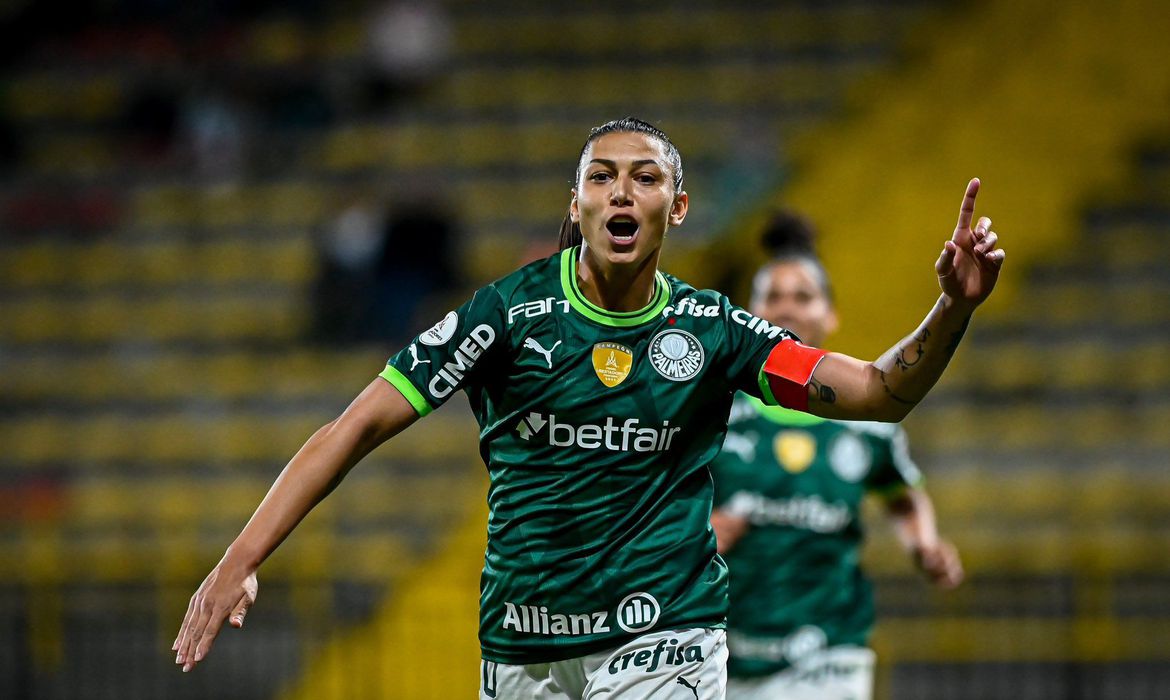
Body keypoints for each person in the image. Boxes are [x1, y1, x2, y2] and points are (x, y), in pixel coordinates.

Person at [172, 117, 1005, 699]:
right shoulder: (505, 315)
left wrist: (953, 311)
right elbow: (354, 426)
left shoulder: (713, 330)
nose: (620, 191)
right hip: (524, 647)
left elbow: (874, 390)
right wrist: (243, 554)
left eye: (645, 178)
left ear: (674, 209)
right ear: (576, 205)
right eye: (600, 176)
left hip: (665, 636)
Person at [709, 211, 965, 700]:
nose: (786, 310)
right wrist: (696, 538)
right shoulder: (712, 413)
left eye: (803, 297)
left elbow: (901, 493)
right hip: (726, 651)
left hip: (829, 653)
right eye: (772, 298)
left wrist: (924, 544)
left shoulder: (865, 424)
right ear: (747, 314)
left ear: (831, 316)